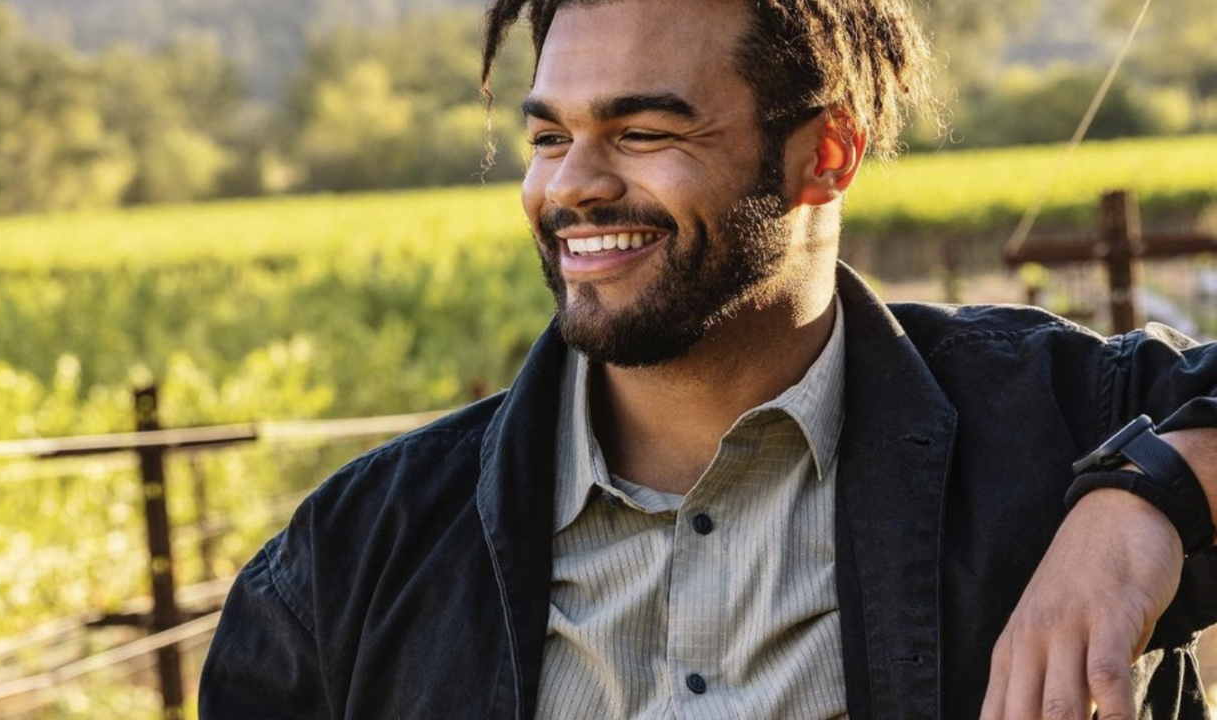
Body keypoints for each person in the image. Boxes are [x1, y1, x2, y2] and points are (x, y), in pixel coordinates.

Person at [199, 0, 1217, 717]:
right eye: (550, 138)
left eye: (642, 132)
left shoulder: (1055, 429)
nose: (573, 187)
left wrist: (1142, 503)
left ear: (827, 155)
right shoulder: (346, 566)